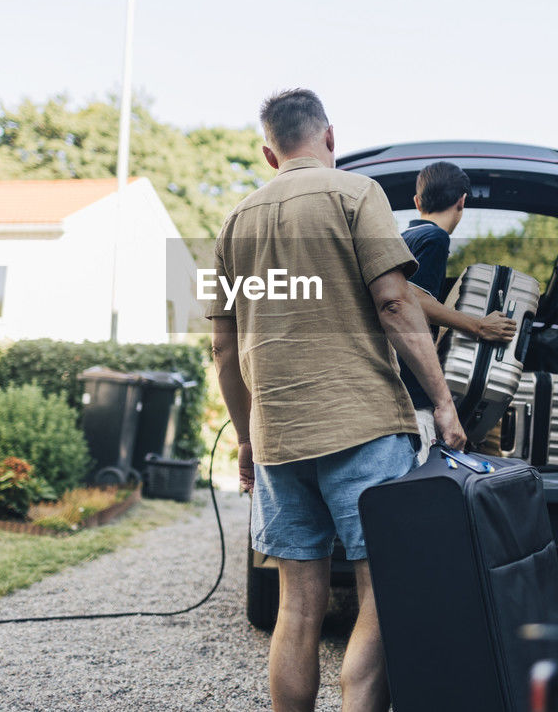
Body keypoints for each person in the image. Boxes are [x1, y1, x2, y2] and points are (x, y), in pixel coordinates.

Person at [208, 89, 466, 712]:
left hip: (276, 435)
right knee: (383, 594)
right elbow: (396, 302)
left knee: (297, 608)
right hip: (362, 424)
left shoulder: (235, 222)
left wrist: (247, 438)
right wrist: (443, 403)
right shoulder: (357, 195)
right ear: (330, 137)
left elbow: (222, 345)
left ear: (270, 154)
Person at [398, 161, 516, 461]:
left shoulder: (405, 238)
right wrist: (478, 326)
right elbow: (415, 301)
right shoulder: (435, 239)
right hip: (414, 392)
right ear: (462, 201)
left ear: (417, 202)